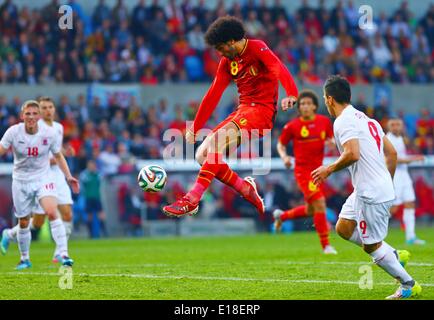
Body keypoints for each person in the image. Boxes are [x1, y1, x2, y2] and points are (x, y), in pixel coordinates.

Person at [163, 16, 298, 217]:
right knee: (202, 155)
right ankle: (245, 188)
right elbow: (213, 94)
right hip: (243, 111)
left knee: (216, 144)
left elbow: (278, 68)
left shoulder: (257, 47)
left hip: (261, 112)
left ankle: (192, 199)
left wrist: (291, 93)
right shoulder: (227, 62)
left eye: (221, 47)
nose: (219, 53)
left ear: (232, 42)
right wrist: (196, 127)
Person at [311, 75, 421, 299]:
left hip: (370, 193)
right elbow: (392, 153)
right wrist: (386, 182)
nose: (325, 102)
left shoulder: (342, 121)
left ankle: (408, 284)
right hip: (368, 189)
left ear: (330, 99)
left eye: (325, 98)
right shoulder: (367, 119)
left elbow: (353, 153)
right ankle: (393, 254)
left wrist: (328, 169)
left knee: (370, 246)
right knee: (343, 228)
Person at [0, 100, 79, 270]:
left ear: (39, 116)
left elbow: (58, 156)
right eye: (27, 113)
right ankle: (24, 258)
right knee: (24, 222)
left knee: (52, 211)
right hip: (21, 181)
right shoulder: (13, 132)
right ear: (22, 116)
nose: (31, 117)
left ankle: (63, 254)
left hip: (43, 178)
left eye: (35, 114)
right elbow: (1, 149)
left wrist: (68, 176)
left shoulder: (49, 133)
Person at [273, 89, 337, 255]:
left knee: (312, 209)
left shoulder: (324, 122)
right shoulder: (292, 126)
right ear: (299, 108)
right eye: (302, 104)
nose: (306, 106)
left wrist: (332, 143)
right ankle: (326, 245)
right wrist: (285, 157)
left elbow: (331, 139)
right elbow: (280, 145)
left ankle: (282, 216)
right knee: (320, 203)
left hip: (319, 172)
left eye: (309, 103)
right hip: (303, 172)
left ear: (315, 106)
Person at [386, 118, 426, 245]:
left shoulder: (400, 138)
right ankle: (370, 231)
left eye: (398, 124)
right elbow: (393, 160)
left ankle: (411, 237)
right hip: (394, 175)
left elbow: (401, 157)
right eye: (392, 124)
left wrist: (412, 158)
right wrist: (414, 159)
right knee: (394, 207)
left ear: (402, 126)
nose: (395, 127)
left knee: (410, 203)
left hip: (404, 175)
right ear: (388, 127)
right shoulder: (388, 140)